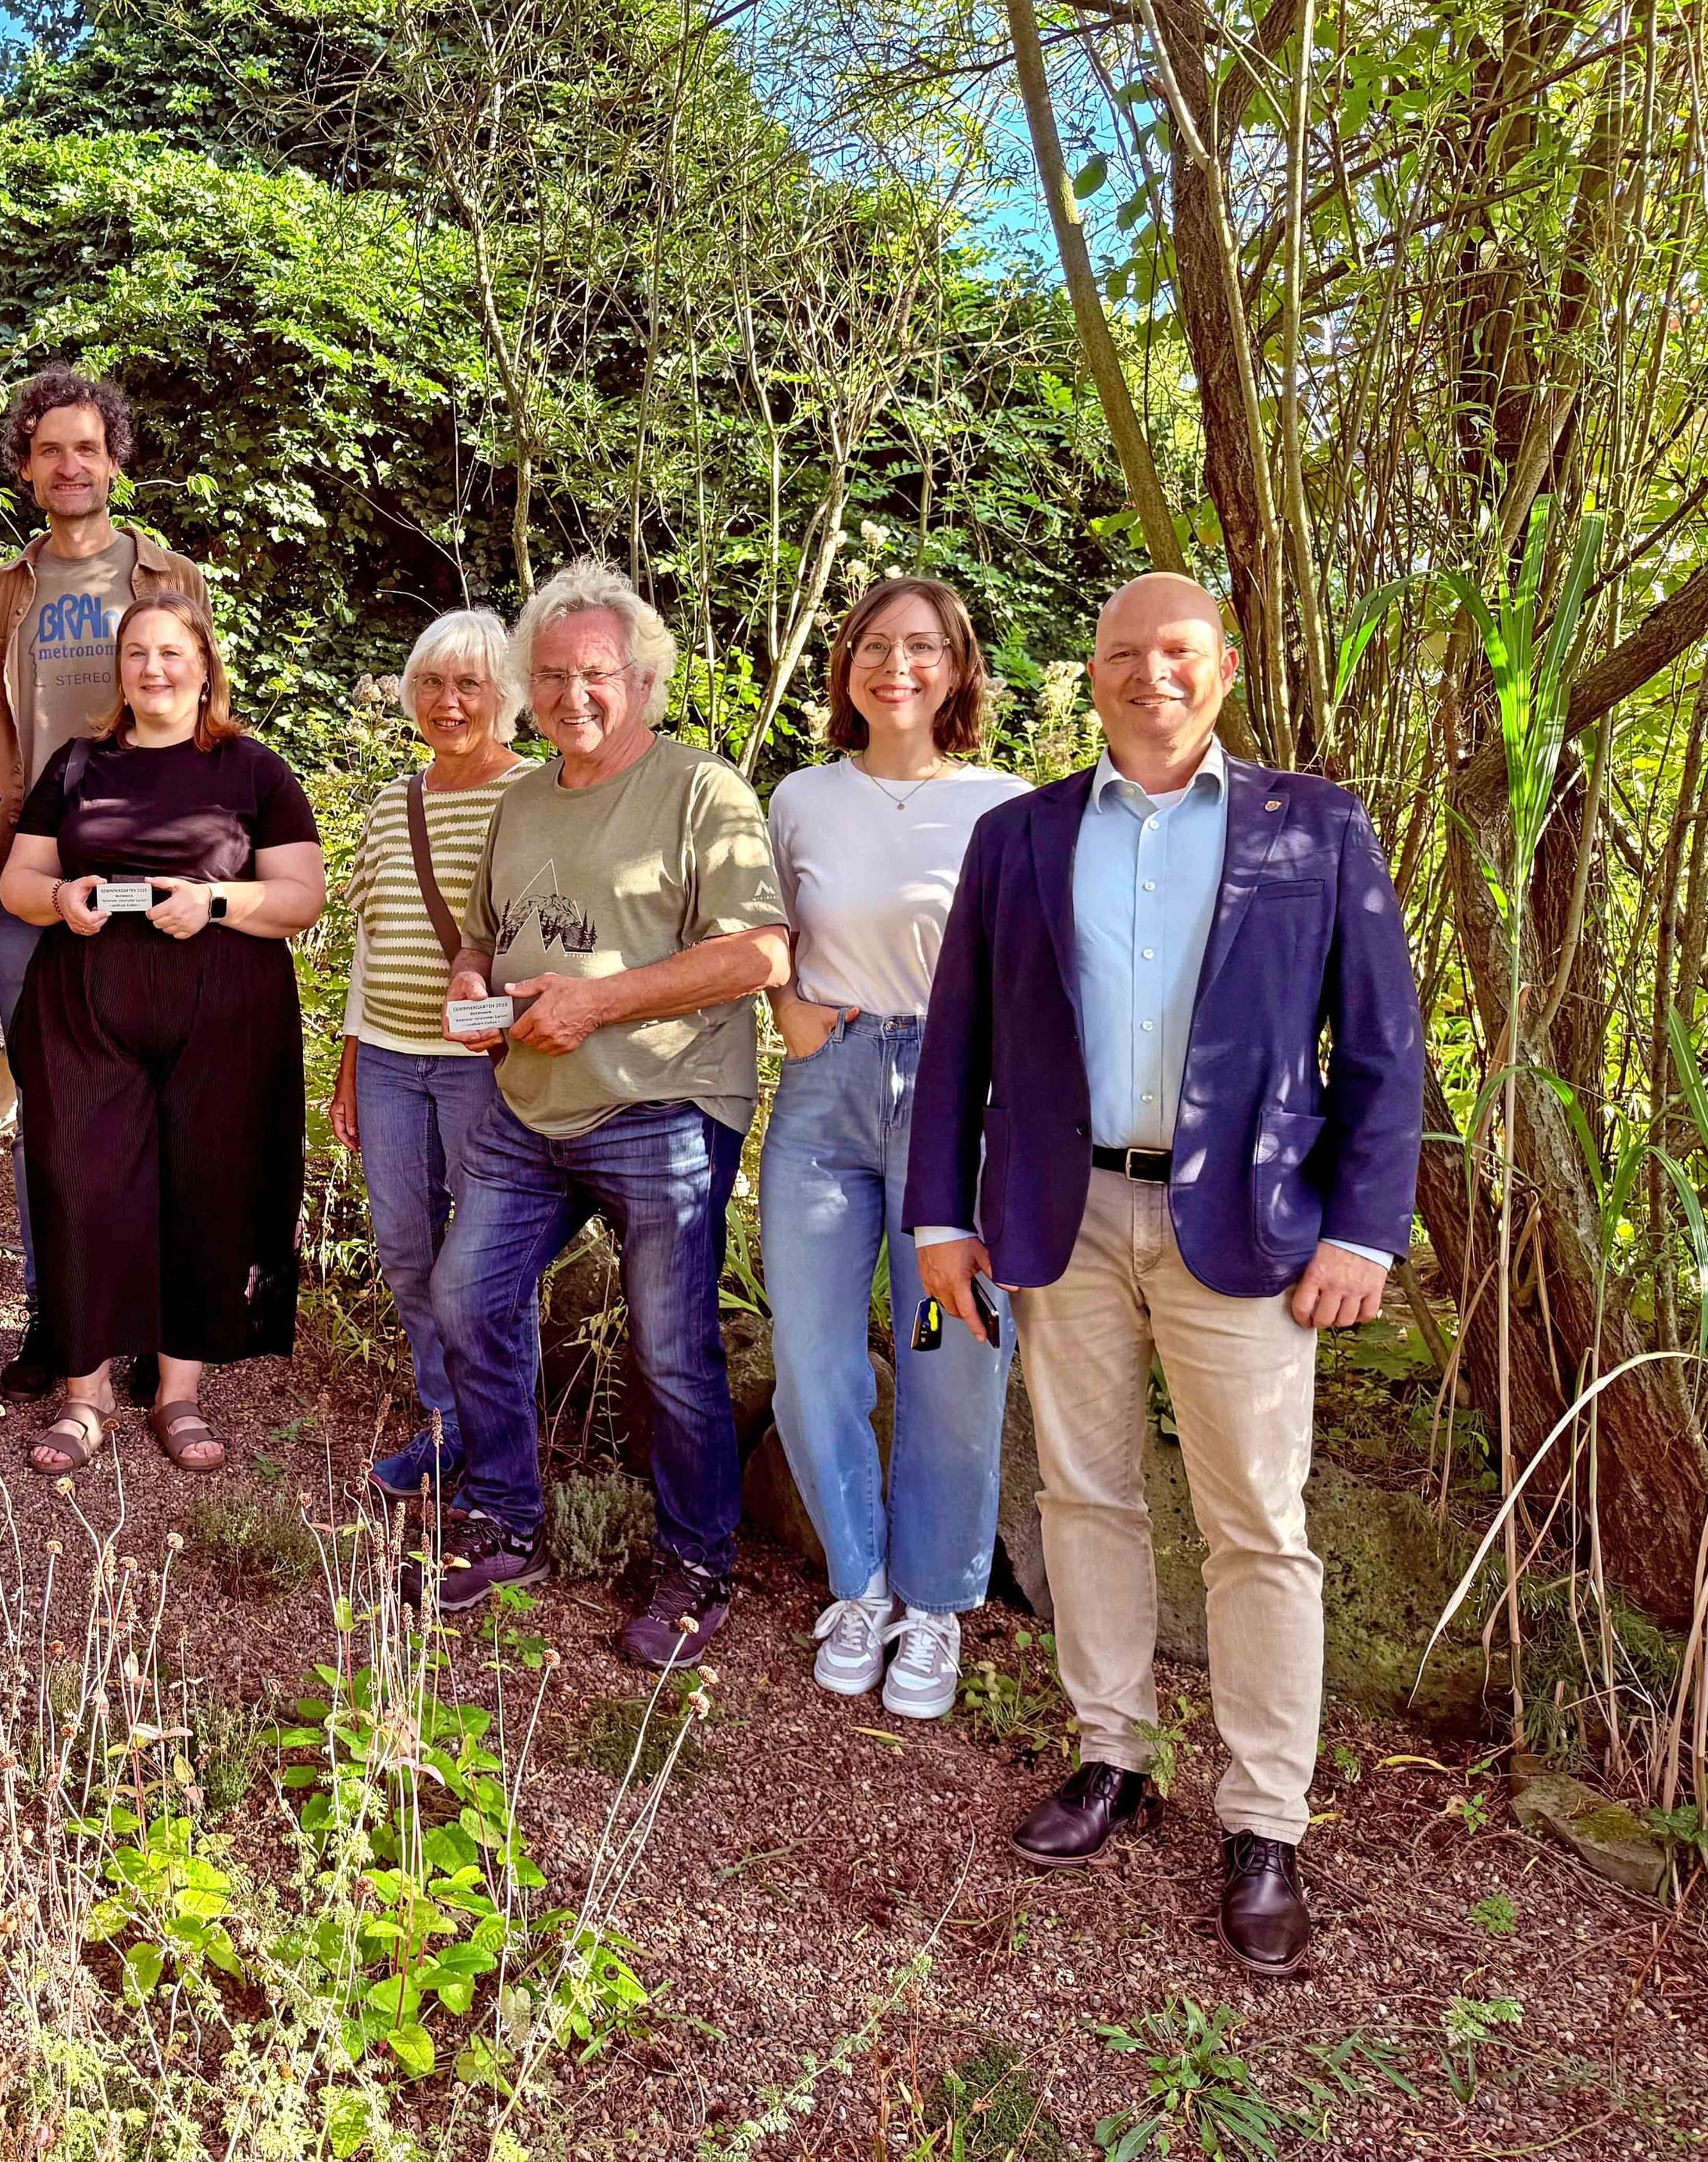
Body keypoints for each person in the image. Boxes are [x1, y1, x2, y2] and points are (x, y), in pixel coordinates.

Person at [907, 573, 1424, 1976]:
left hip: (1247, 1236)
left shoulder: (1312, 829)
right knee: (1084, 1492)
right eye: (1123, 653)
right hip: (1059, 1217)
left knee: (1257, 1521)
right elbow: (957, 1042)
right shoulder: (1019, 836)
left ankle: (1265, 1823)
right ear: (1092, 672)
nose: (1151, 675)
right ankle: (1110, 1757)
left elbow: (1382, 1049)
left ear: (1225, 666)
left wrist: (1364, 1231)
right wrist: (939, 1219)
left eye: (1177, 652)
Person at [421, 561, 790, 1670]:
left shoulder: (700, 791)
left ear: (641, 678)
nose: (573, 694)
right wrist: (470, 985)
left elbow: (759, 951)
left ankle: (695, 1565)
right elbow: (485, 932)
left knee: (671, 1348)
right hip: (527, 1105)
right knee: (465, 1295)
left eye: (596, 674)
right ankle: (504, 1519)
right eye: (552, 675)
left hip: (662, 1105)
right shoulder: (524, 798)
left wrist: (600, 1002)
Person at [761, 578, 1030, 1720]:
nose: (898, 666)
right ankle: (859, 1582)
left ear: (959, 668)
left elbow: (1037, 969)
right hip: (827, 1100)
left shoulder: (1009, 806)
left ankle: (935, 1605)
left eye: (923, 648)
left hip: (957, 1107)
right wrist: (785, 1011)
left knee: (952, 1357)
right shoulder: (804, 798)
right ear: (848, 666)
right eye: (877, 645)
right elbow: (761, 933)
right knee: (813, 1354)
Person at [0, 589, 326, 1475]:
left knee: (204, 1190)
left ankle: (177, 1394)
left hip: (222, 1016)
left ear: (205, 664)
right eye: (137, 654)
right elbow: (19, 884)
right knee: (80, 1184)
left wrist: (215, 900)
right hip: (87, 1014)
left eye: (171, 653)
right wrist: (62, 899)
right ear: (120, 671)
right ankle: (84, 1395)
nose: (153, 669)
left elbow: (300, 898)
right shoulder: (77, 765)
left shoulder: (252, 770)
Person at [0, 368, 211, 1403]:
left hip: (151, 880)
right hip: (32, 875)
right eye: (49, 449)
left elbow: (205, 722)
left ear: (115, 459)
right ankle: (61, 1315)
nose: (71, 465)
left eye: (87, 447)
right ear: (27, 470)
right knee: (51, 1108)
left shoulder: (169, 578)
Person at [329, 610, 535, 1500]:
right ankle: (447, 1424)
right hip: (385, 1061)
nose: (447, 703)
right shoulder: (391, 802)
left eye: (469, 685)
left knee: (485, 1264)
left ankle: (504, 1445)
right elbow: (371, 942)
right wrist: (347, 1060)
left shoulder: (535, 797)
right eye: (432, 684)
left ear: (506, 698)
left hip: (481, 1070)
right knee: (407, 1249)